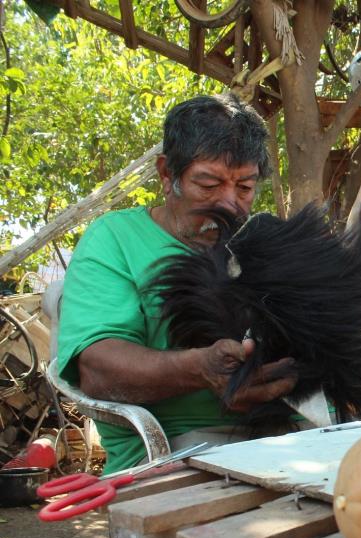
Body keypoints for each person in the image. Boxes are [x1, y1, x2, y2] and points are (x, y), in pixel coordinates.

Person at [57, 94, 298, 474]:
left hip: (291, 437)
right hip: (172, 451)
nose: (230, 205)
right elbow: (98, 371)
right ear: (168, 175)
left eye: (245, 188)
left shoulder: (264, 244)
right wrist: (202, 368)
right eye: (208, 184)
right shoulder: (115, 240)